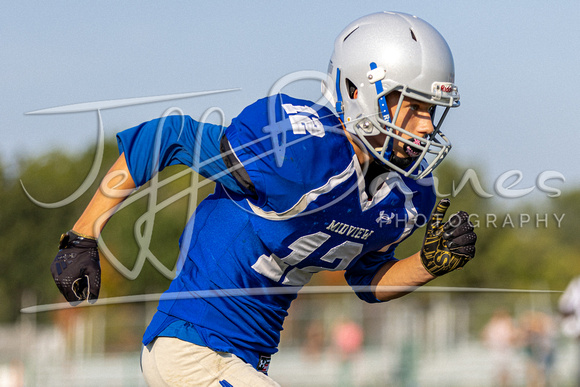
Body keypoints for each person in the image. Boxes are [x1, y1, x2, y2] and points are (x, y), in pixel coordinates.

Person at [49, 11, 477, 386]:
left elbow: (366, 279)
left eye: (431, 111)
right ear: (356, 90)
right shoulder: (298, 150)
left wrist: (426, 265)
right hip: (192, 348)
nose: (424, 127)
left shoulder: (407, 194)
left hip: (242, 363)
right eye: (412, 106)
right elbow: (164, 138)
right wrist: (82, 237)